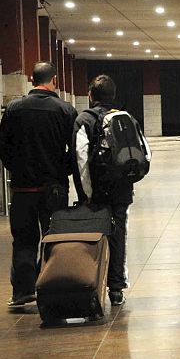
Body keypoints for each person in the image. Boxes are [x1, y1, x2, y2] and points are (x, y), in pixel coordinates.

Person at [0, 61, 77, 308]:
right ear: (54, 81)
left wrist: (17, 168)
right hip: (54, 188)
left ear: (32, 80)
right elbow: (75, 150)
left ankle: (23, 291)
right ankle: (50, 288)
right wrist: (63, 170)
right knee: (53, 238)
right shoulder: (65, 110)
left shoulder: (14, 109)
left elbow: (2, 146)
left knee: (23, 239)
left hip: (23, 189)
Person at [72, 74, 142, 306]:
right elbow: (144, 153)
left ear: (91, 95)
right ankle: (116, 288)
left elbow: (81, 159)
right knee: (118, 235)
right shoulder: (126, 118)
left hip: (97, 192)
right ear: (113, 95)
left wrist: (86, 194)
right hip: (122, 190)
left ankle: (91, 285)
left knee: (93, 237)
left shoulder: (84, 119)